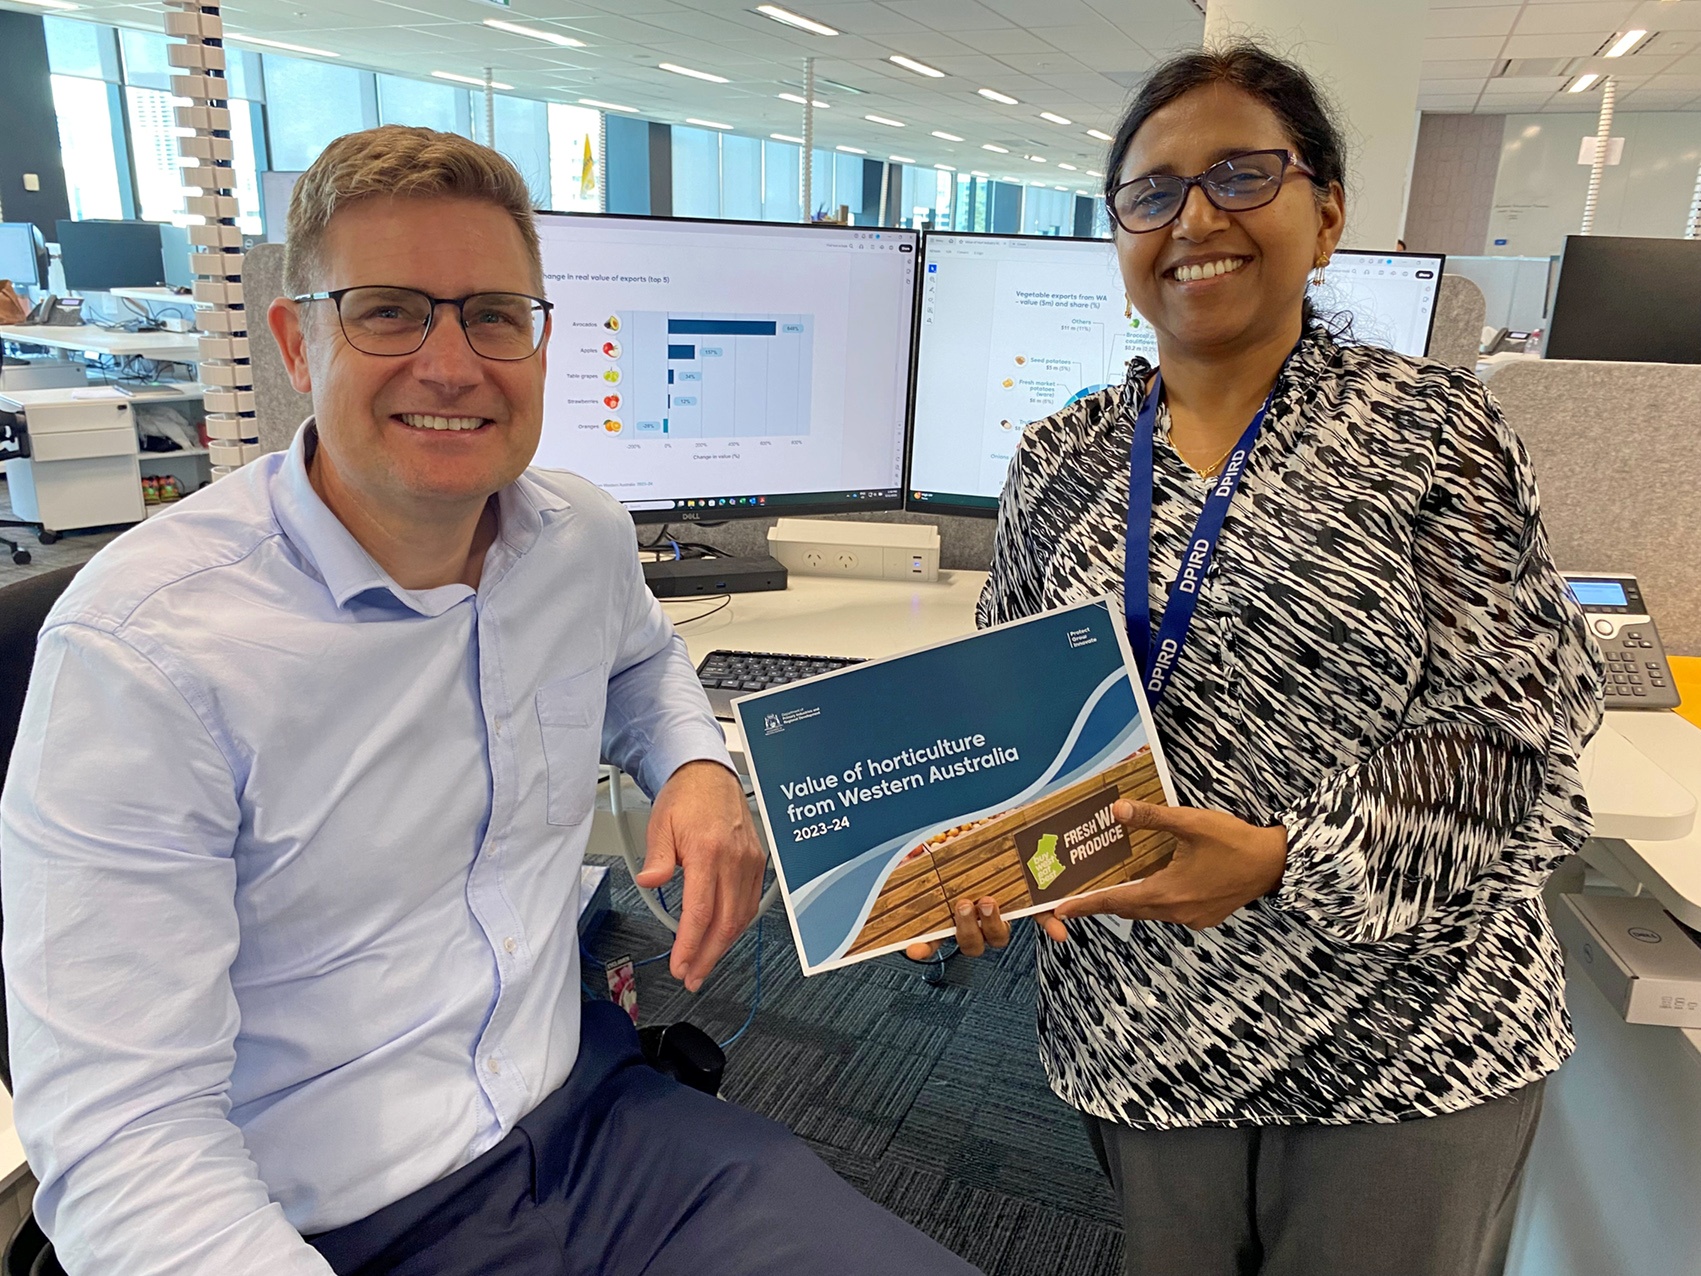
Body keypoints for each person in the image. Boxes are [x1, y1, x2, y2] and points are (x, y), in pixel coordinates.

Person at [0, 127, 979, 1276]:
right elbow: (123, 1145)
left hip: (595, 1127)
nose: (452, 364)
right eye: (388, 312)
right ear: (296, 342)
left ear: (542, 341)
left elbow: (642, 659)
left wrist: (695, 766)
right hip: (327, 1223)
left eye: (495, 316)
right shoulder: (145, 650)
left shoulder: (577, 535)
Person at [915, 44, 1603, 1276]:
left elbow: (1517, 743)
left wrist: (1286, 863)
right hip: (1142, 1025)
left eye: (1241, 175)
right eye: (1153, 192)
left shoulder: (1429, 431)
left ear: (1325, 213)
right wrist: (956, 868)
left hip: (1410, 1035)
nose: (1195, 220)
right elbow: (1010, 720)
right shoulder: (1061, 459)